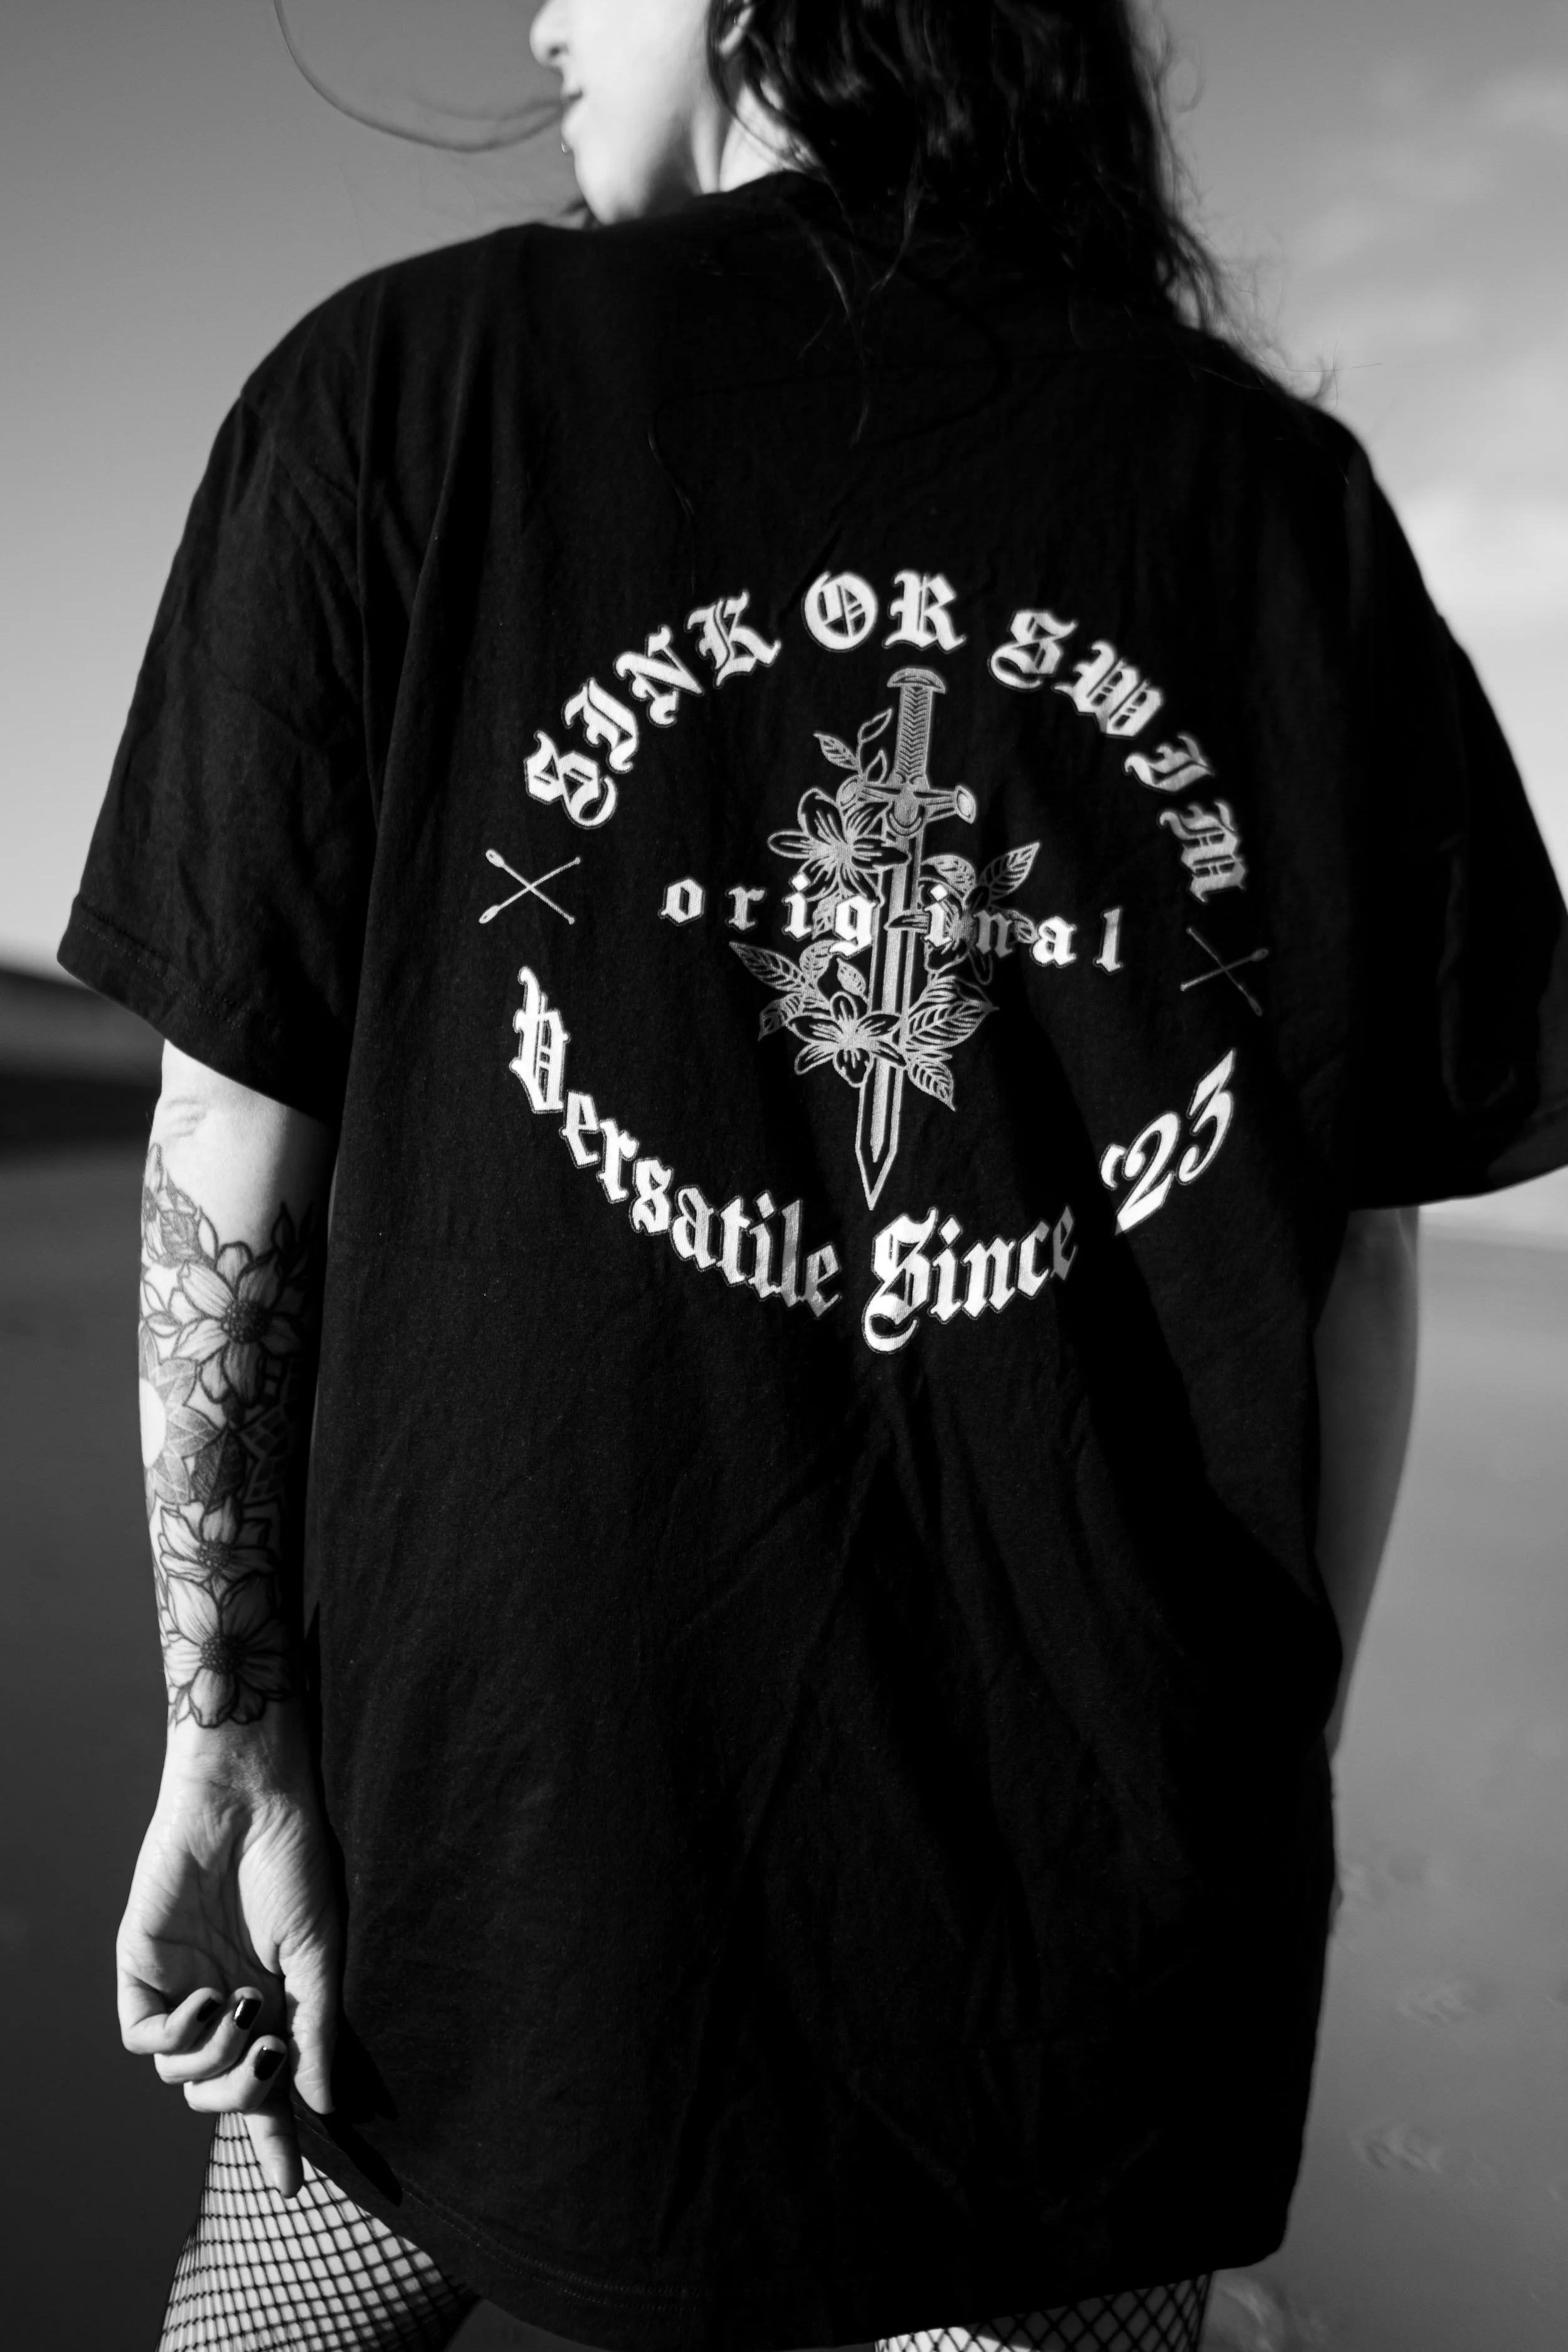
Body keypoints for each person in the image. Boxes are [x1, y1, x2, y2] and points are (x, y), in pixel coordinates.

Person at [60, 3, 1568, 2349]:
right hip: (1072, 1934)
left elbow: (229, 1136)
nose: (541, 16)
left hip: (487, 1862)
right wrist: (1251, 1794)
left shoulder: (404, 396)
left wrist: (230, 1734)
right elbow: (1351, 1252)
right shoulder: (1278, 508)